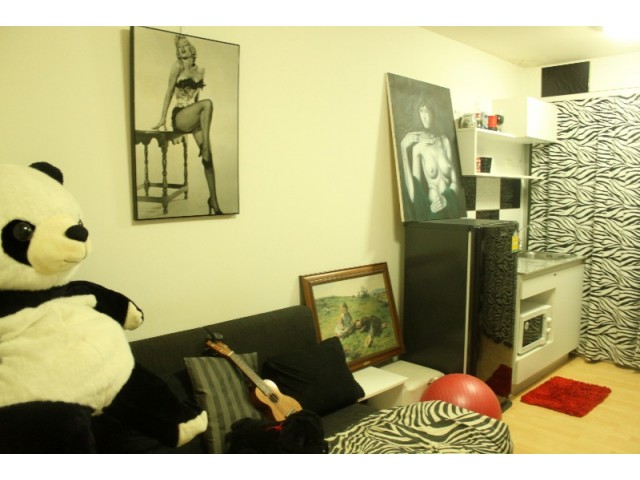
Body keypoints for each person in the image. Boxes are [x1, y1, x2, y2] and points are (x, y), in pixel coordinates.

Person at [152, 34, 223, 215]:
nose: (182, 49)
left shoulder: (201, 71)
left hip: (194, 116)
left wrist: (198, 118)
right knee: (208, 104)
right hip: (180, 116)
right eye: (179, 47)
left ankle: (214, 200)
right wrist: (162, 118)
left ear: (192, 49)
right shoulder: (178, 66)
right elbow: (169, 91)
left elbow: (197, 100)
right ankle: (205, 147)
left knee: (209, 159)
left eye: (185, 45)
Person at [399, 98, 461, 220]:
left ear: (433, 113)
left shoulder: (444, 141)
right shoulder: (418, 149)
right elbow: (414, 194)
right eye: (421, 111)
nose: (424, 116)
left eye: (426, 111)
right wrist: (403, 149)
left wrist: (446, 199)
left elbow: (456, 183)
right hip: (434, 211)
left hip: (450, 210)